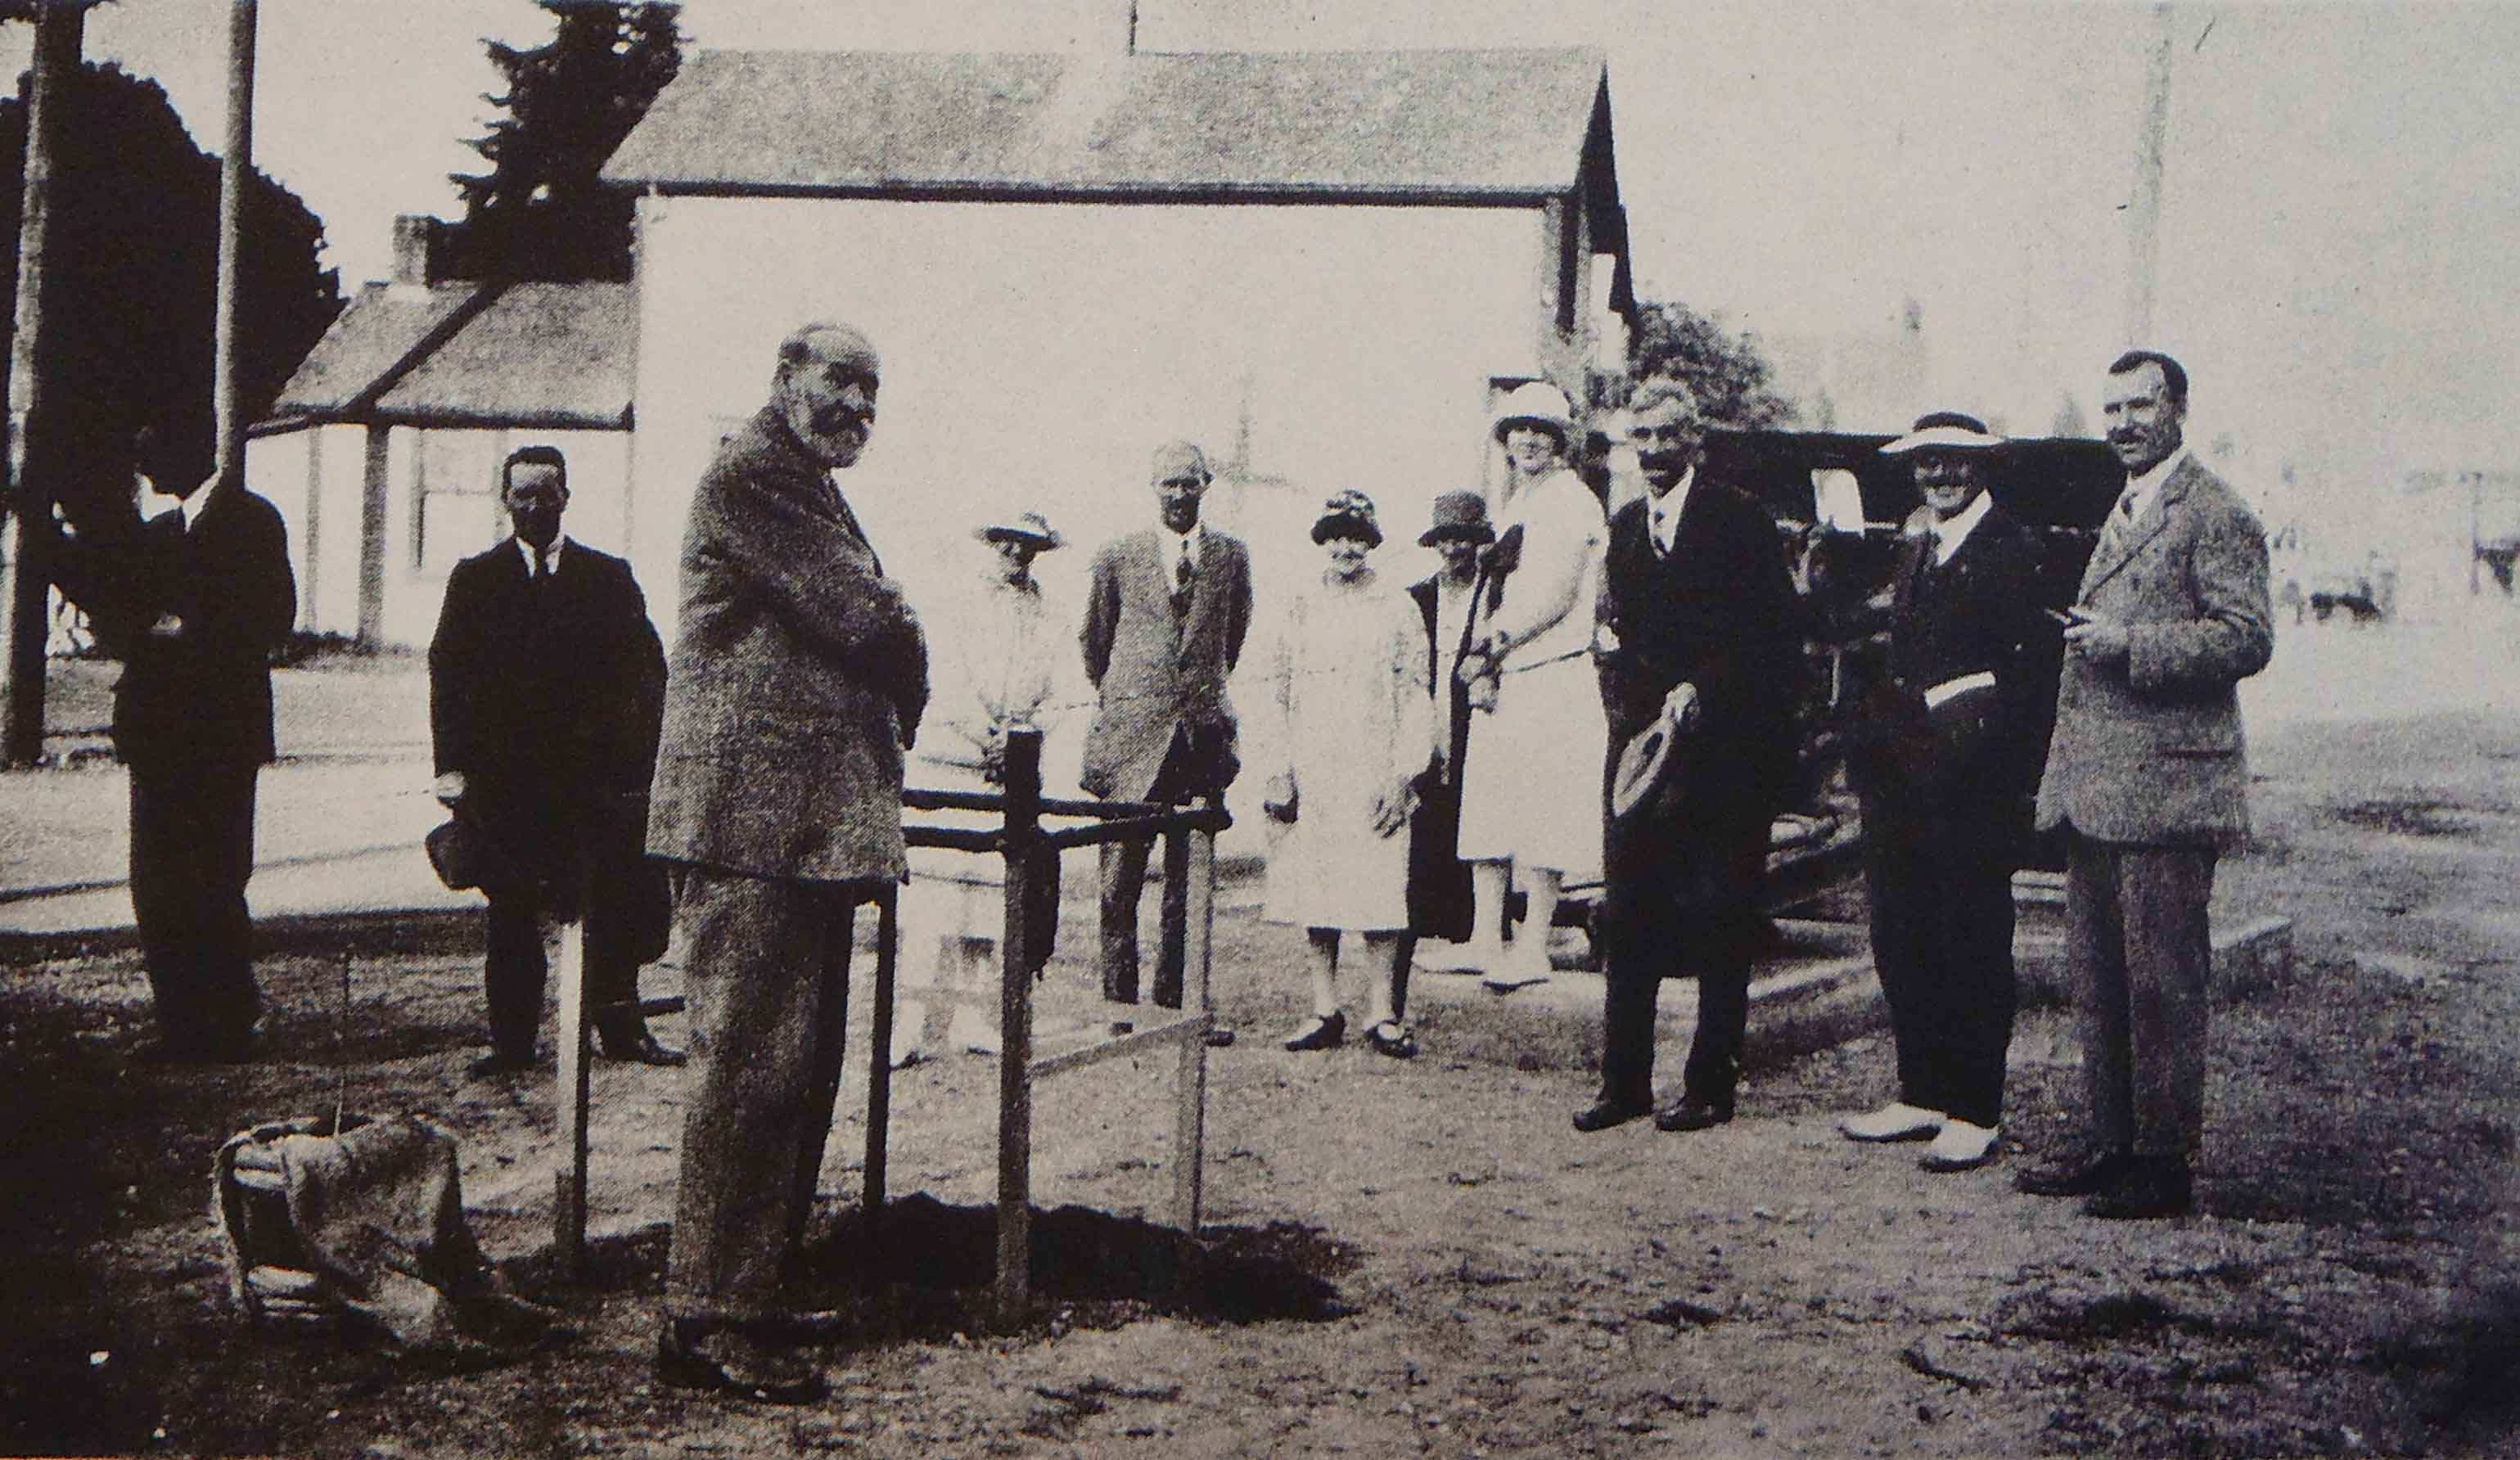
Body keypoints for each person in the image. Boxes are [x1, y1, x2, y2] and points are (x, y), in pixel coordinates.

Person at [645, 322, 928, 1400]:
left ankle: (747, 1291)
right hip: (749, 829)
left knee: (796, 1071)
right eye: (839, 378)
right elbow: (865, 618)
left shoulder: (797, 477)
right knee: (750, 1069)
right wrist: (907, 638)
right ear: (781, 378)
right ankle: (708, 1313)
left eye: (873, 386)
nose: (857, 401)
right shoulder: (755, 472)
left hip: (795, 830)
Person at [2016, 349, 2272, 1219]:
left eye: (2140, 405)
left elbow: (2245, 637)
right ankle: (2112, 1143)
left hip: (2165, 794)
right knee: (2100, 980)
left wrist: (2135, 643)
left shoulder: (2213, 510)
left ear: (2179, 408)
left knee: (2163, 982)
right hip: (2099, 791)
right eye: (2112, 407)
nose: (2122, 422)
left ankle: (2163, 1163)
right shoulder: (2124, 505)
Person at [1575, 377, 1800, 1134]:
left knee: (1719, 916)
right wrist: (1633, 705)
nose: (1654, 453)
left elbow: (1773, 638)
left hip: (1727, 757)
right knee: (1629, 912)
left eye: (1668, 438)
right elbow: (1617, 638)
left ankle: (1710, 1084)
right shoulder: (1628, 528)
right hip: (1644, 753)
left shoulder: (1738, 521)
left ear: (1695, 442)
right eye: (1642, 438)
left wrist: (1705, 687)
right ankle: (1624, 1083)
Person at [1837, 413, 2051, 1172]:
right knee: (1902, 931)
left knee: (1970, 939)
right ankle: (1921, 1091)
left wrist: (1986, 756)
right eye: (1928, 463)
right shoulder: (1917, 543)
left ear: (1982, 466)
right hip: (1902, 776)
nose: (1940, 476)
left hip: (1973, 779)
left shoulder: (2015, 550)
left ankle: (1973, 1108)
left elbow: (2025, 679)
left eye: (1955, 462)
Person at [428, 444, 681, 1078]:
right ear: (504, 499)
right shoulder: (476, 579)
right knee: (511, 914)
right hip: (506, 785)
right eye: (523, 494)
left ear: (566, 497)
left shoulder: (606, 578)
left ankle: (622, 1033)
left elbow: (647, 674)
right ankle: (512, 1044)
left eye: (547, 493)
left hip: (592, 784)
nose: (535, 506)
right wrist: (451, 768)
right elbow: (448, 677)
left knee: (610, 908)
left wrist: (637, 767)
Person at [51, 436, 295, 1064]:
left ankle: (231, 1024)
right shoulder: (163, 530)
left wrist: (180, 629)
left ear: (195, 449)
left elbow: (270, 617)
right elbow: (120, 607)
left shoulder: (250, 520)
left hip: (219, 736)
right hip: (157, 735)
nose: (142, 465)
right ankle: (183, 1027)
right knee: (157, 885)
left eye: (152, 451)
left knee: (214, 880)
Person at [1080, 440, 1251, 1045]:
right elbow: (1096, 647)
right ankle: (1118, 1011)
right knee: (1118, 881)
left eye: (1189, 483)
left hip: (1197, 743)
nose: (1179, 494)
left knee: (1190, 884)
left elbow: (1230, 642)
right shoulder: (1117, 558)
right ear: (1152, 487)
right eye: (1168, 484)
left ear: (1206, 484)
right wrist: (1138, 703)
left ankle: (1176, 1005)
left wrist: (1196, 701)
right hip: (1130, 744)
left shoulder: (1231, 557)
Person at [1257, 490, 1433, 1057]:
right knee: (1318, 889)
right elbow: (1276, 692)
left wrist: (1403, 775)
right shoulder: (1300, 606)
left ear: (1373, 541)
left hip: (1374, 767)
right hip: (1315, 767)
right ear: (1321, 540)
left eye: (1357, 535)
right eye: (1336, 535)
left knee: (1379, 889)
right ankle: (1323, 1008)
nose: (1346, 546)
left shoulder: (1397, 606)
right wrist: (1279, 770)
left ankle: (1382, 1012)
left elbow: (1415, 694)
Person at [895, 508, 1069, 1066]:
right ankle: (908, 1023)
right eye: (1007, 545)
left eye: (1028, 548)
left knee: (990, 902)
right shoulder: (955, 607)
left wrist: (1022, 737)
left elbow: (1062, 691)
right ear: (990, 545)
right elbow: (942, 680)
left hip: (1010, 773)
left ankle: (970, 1017)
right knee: (933, 901)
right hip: (953, 762)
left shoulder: (1051, 617)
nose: (1016, 556)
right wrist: (983, 739)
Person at [1452, 383, 1609, 993]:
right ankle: (1484, 938)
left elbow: (1555, 593)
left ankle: (1533, 946)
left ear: (1560, 439)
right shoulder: (1521, 497)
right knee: (1491, 805)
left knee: (1545, 813)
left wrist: (1494, 642)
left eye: (1540, 429)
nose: (1527, 439)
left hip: (1550, 669)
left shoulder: (1570, 502)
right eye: (1516, 429)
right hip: (1506, 674)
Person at [1398, 491, 1491, 985]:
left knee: (1470, 802)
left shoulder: (1491, 592)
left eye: (1465, 539)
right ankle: (1426, 915)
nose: (1456, 549)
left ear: (1478, 543)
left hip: (1472, 710)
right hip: (1428, 704)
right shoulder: (1419, 596)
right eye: (1447, 539)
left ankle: (1469, 922)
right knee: (1428, 798)